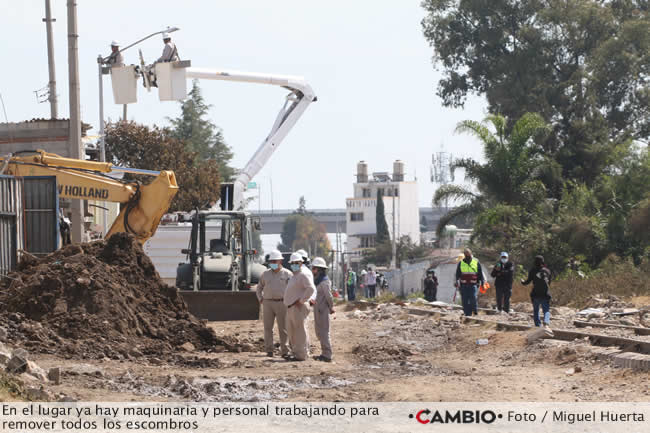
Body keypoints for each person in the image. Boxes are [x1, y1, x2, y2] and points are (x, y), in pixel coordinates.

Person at [256, 250, 292, 358]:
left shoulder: (287, 274)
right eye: (271, 261)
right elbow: (259, 288)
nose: (273, 263)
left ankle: (285, 351)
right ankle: (269, 350)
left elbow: (292, 289)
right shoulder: (265, 274)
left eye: (275, 261)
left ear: (280, 261)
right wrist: (260, 299)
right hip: (267, 303)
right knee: (268, 328)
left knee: (283, 328)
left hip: (282, 303)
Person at [283, 252, 316, 361]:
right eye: (292, 263)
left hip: (298, 307)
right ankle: (296, 353)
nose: (294, 264)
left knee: (300, 331)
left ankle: (301, 355)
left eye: (296, 263)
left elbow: (310, 289)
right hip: (291, 307)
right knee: (292, 331)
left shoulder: (303, 275)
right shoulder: (295, 275)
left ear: (301, 263)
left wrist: (302, 300)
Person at [311, 257, 334, 362]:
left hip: (323, 309)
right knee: (319, 332)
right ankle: (324, 353)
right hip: (317, 309)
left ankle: (327, 355)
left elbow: (329, 296)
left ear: (320, 269)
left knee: (324, 332)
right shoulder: (318, 281)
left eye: (314, 268)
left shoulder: (325, 282)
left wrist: (331, 307)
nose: (313, 270)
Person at [521, 255, 552, 327]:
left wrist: (522, 282)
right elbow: (549, 282)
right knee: (546, 310)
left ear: (534, 262)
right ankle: (546, 321)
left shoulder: (533, 270)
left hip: (536, 294)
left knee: (536, 310)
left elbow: (527, 282)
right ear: (543, 262)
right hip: (545, 294)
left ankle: (538, 325)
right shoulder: (547, 271)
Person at [455, 248, 484, 316]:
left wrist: (482, 282)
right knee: (465, 300)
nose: (467, 255)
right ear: (464, 255)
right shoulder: (461, 263)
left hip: (473, 284)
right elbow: (457, 274)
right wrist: (456, 281)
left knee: (473, 298)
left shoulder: (476, 262)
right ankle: (467, 313)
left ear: (471, 254)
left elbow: (480, 273)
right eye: (466, 254)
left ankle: (475, 310)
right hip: (464, 284)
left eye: (468, 254)